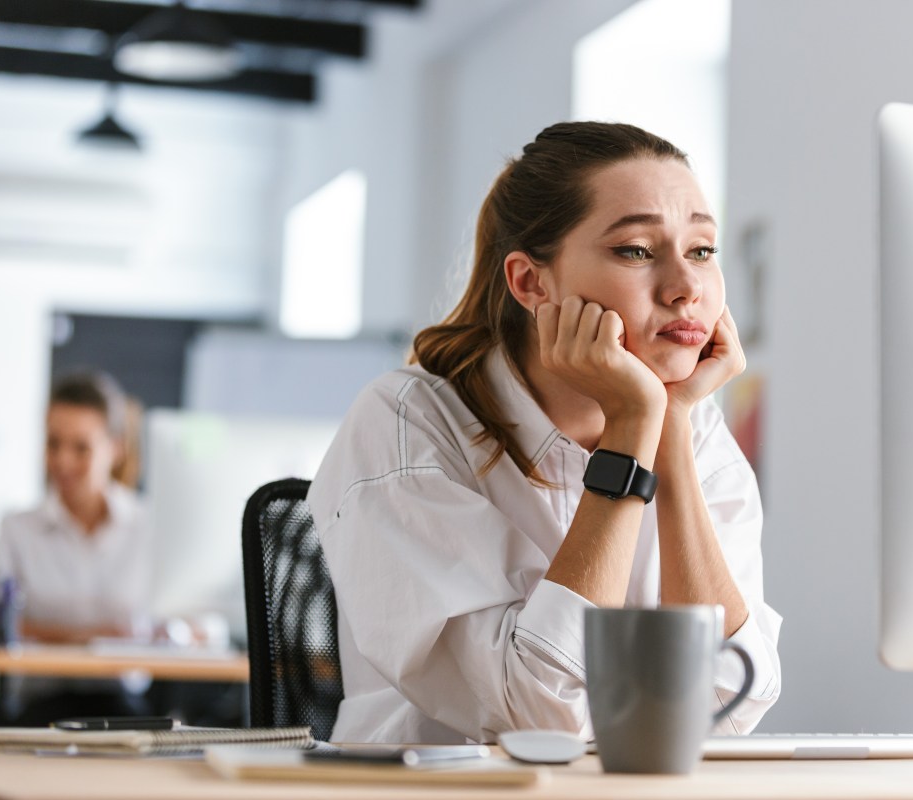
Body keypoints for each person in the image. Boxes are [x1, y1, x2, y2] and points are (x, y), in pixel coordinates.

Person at [308, 121, 782, 744]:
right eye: (637, 250)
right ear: (532, 283)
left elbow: (730, 700)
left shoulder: (692, 430)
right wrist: (631, 434)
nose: (686, 288)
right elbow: (536, 715)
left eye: (701, 250)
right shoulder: (407, 425)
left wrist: (666, 426)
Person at [0, 371, 153, 723]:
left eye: (81, 447)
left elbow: (173, 621)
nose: (62, 462)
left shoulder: (147, 527)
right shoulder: (18, 529)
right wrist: (95, 637)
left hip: (123, 704)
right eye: (53, 444)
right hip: (39, 704)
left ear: (116, 448)